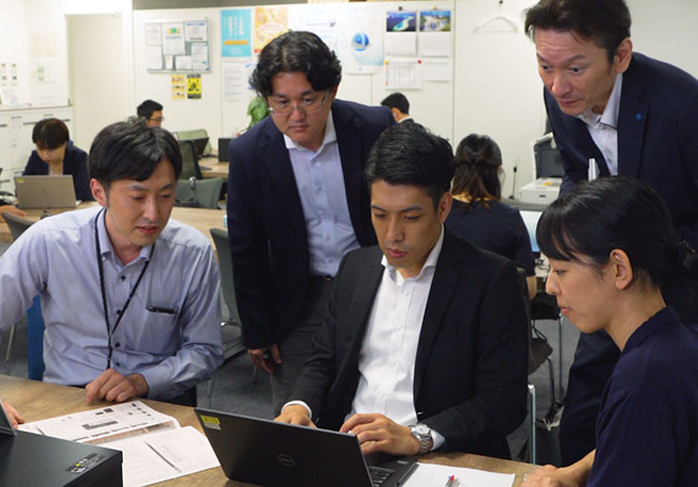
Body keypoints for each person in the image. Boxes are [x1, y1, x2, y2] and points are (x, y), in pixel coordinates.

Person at [524, 0, 698, 463]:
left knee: (666, 418)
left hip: (686, 288)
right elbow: (577, 172)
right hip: (610, 282)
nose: (558, 85)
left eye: (575, 68)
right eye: (545, 66)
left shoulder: (687, 107)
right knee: (585, 410)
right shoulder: (561, 99)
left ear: (621, 55)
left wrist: (663, 262)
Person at [276, 123, 528, 459]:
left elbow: (504, 400)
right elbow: (324, 360)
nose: (392, 234)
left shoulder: (490, 279)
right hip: (350, 449)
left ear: (443, 207)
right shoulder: (356, 268)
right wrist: (299, 405)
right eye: (380, 215)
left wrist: (418, 437)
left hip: (437, 455)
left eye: (410, 218)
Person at [0, 119, 223, 424]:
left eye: (165, 195)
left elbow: (205, 350)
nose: (153, 213)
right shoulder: (51, 241)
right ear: (99, 192)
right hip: (66, 399)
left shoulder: (192, 253)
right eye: (137, 197)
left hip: (157, 401)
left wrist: (142, 381)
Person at [227, 30, 394, 413]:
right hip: (298, 299)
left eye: (308, 100)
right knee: (298, 412)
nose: (296, 115)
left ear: (331, 91)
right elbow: (246, 248)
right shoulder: (250, 153)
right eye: (281, 103)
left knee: (381, 399)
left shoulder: (373, 128)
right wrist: (257, 330)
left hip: (375, 284)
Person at [523, 177, 698, 487]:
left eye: (561, 270)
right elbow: (640, 443)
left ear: (619, 269)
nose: (550, 286)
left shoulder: (641, 380)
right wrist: (576, 471)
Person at [445, 134, 536, 298]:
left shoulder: (439, 213)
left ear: (456, 170)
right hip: (495, 309)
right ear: (497, 170)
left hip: (444, 308)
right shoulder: (509, 218)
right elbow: (529, 288)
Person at [23, 118, 94, 201]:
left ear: (64, 144)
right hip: (43, 207)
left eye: (51, 150)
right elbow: (23, 189)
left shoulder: (79, 158)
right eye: (40, 149)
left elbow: (85, 194)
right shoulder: (35, 157)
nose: (45, 155)